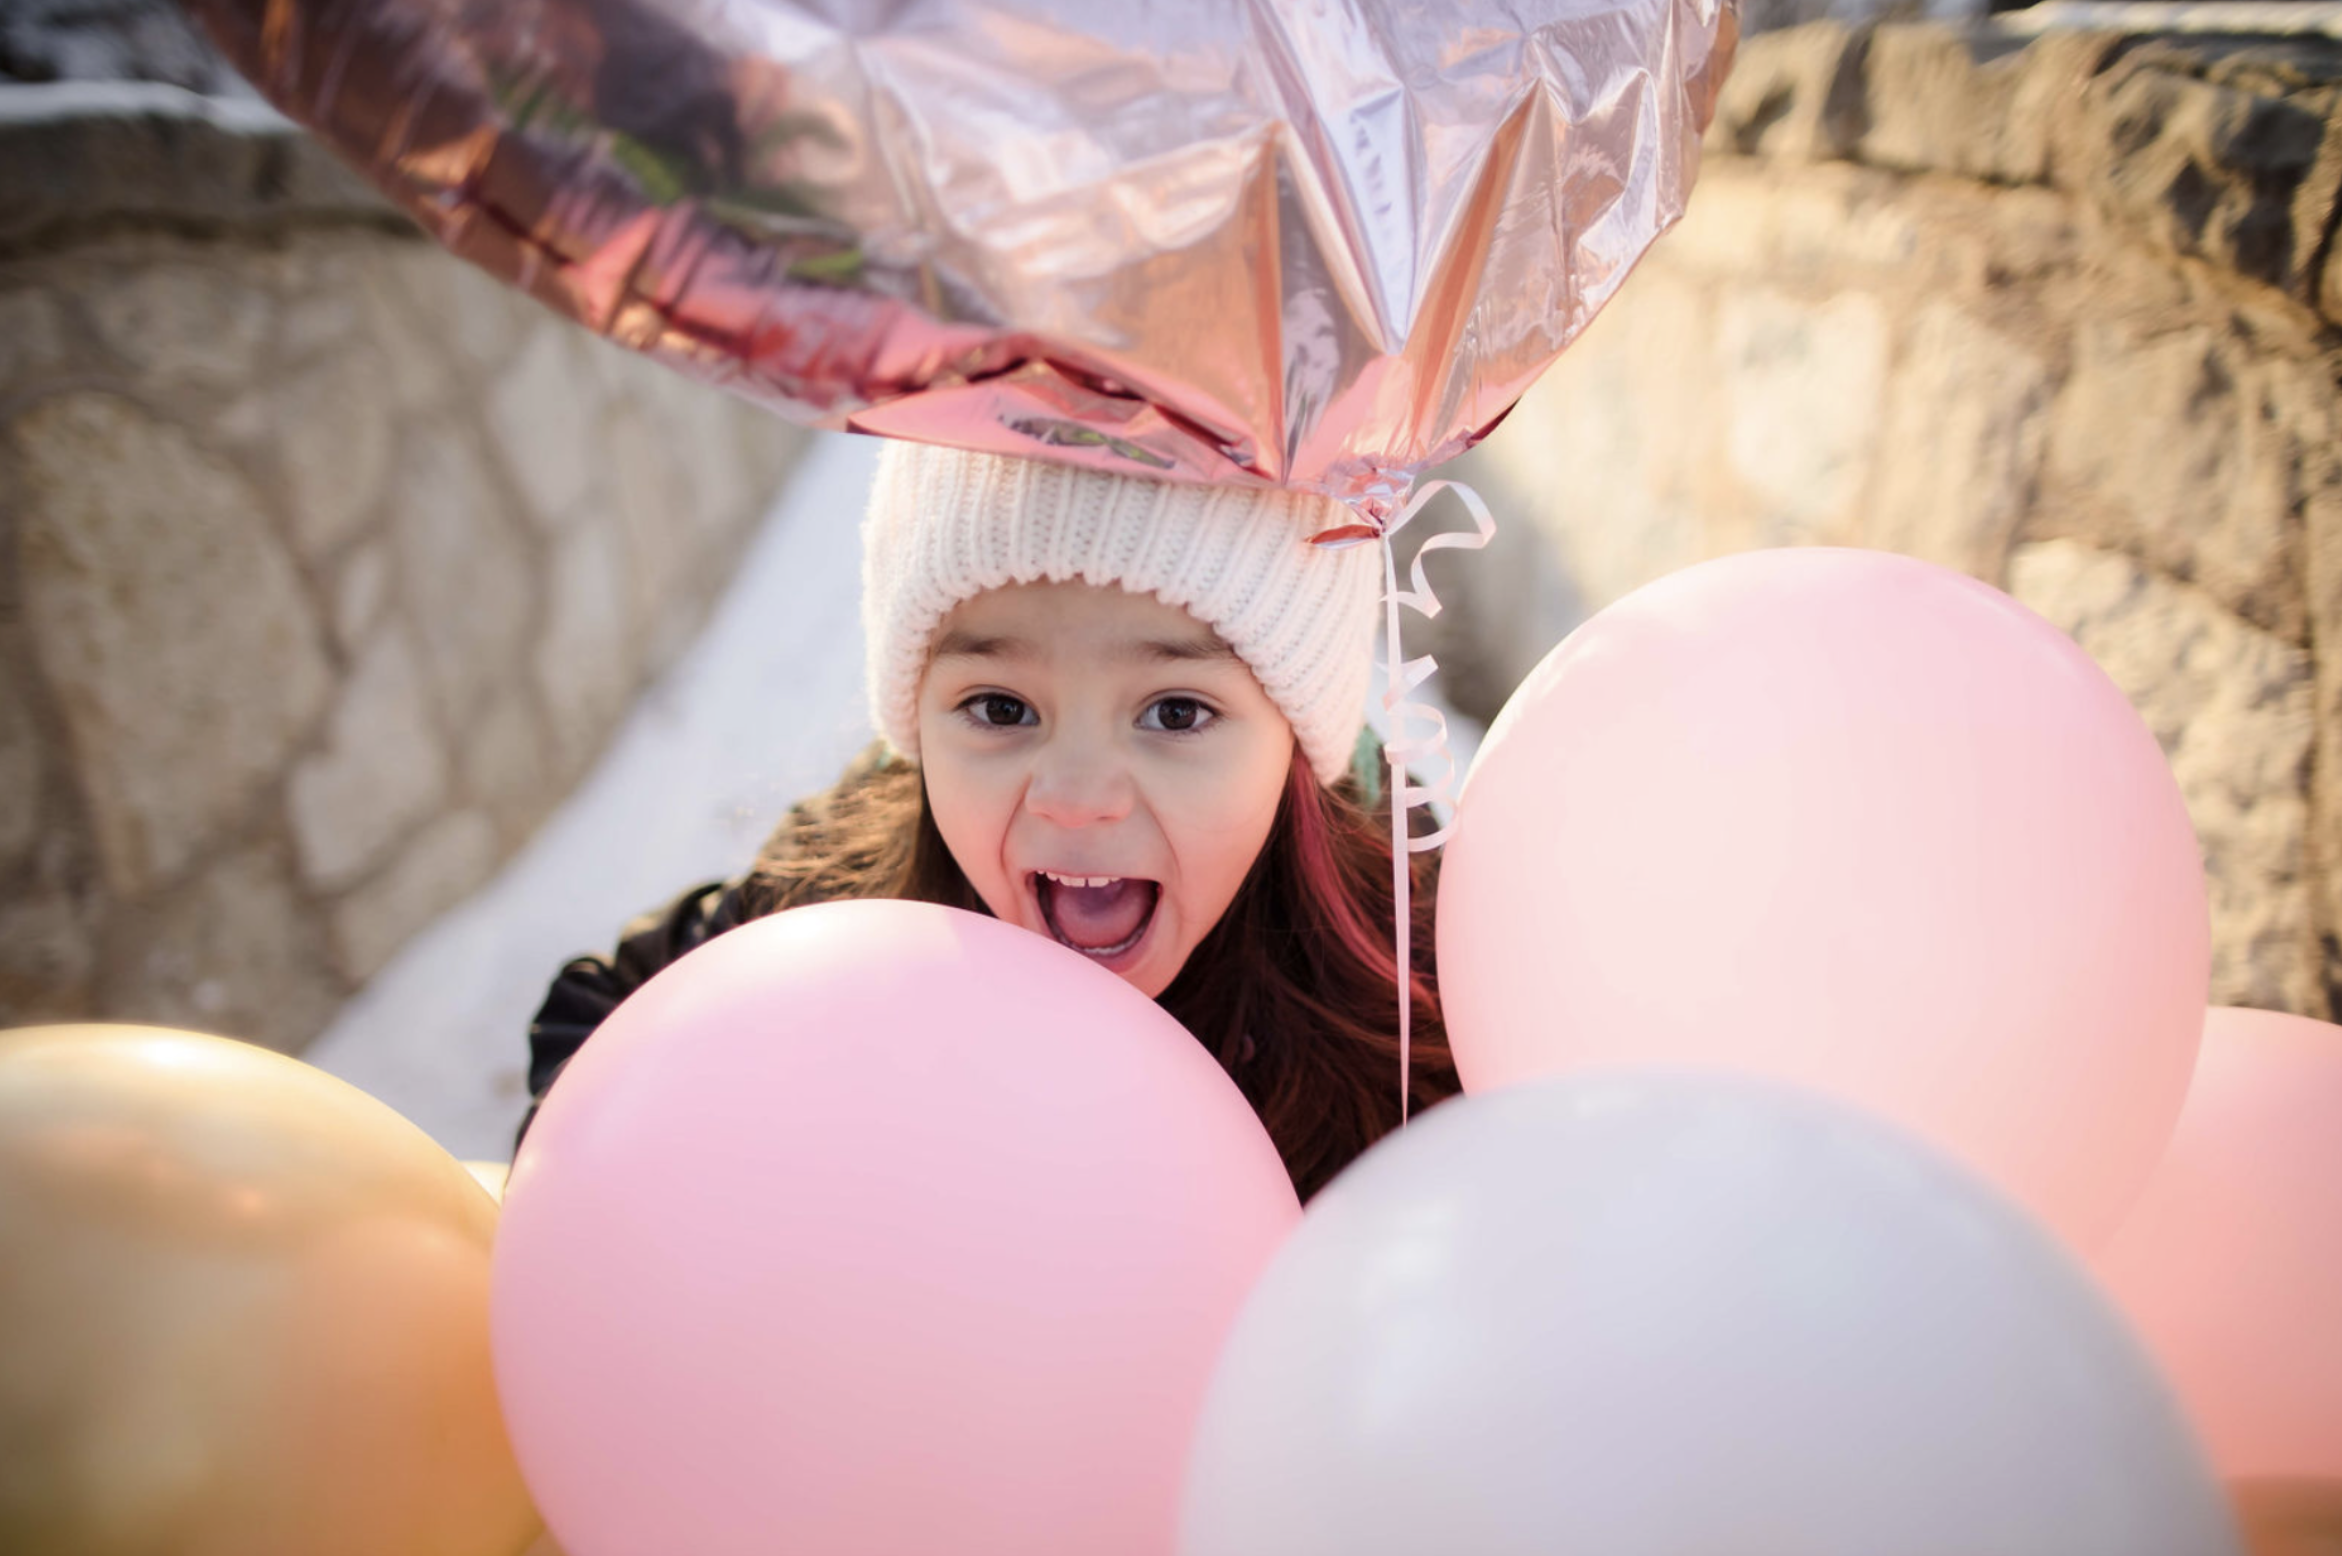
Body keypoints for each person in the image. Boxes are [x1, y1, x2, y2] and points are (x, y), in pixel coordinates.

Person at [523, 439, 1457, 1200]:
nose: (1078, 795)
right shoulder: (853, 884)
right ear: (919, 726)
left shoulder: (1419, 978)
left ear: (1296, 744)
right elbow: (611, 1031)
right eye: (1002, 709)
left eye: (1175, 712)